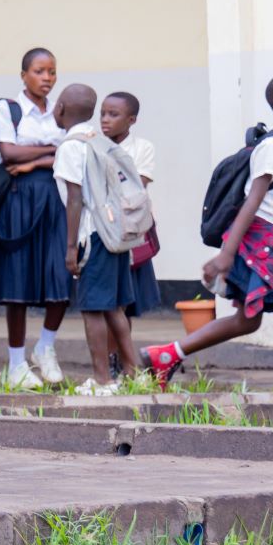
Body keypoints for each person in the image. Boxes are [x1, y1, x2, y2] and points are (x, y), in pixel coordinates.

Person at [145, 73, 273, 404]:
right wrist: (226, 255)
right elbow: (253, 200)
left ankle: (167, 353)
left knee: (248, 320)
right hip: (269, 240)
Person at [0, 48, 71, 389]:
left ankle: (45, 346)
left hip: (54, 198)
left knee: (61, 276)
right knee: (17, 283)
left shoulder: (61, 112)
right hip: (18, 199)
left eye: (52, 71)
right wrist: (51, 150)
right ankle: (16, 364)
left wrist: (35, 160)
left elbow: (72, 152)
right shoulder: (9, 108)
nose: (47, 78)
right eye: (39, 71)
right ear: (24, 75)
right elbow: (8, 152)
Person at [51, 84, 136, 393]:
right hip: (115, 232)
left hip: (92, 235)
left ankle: (102, 380)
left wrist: (71, 247)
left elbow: (75, 199)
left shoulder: (71, 146)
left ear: (60, 108)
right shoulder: (99, 140)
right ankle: (134, 373)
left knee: (92, 309)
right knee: (114, 307)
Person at [101, 91, 159, 377]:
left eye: (113, 115)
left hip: (129, 232)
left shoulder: (142, 147)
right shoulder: (93, 145)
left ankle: (123, 363)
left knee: (125, 302)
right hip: (101, 232)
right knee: (106, 301)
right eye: (103, 113)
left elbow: (137, 185)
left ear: (131, 120)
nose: (105, 120)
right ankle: (111, 361)